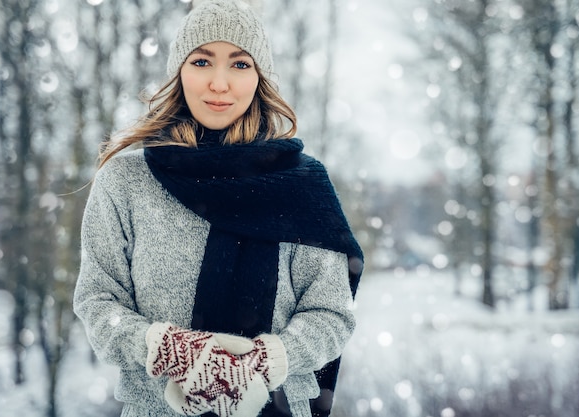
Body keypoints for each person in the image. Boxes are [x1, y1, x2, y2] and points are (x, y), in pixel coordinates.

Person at [73, 1, 363, 416]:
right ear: (179, 72)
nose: (219, 83)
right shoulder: (127, 181)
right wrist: (169, 349)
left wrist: (263, 363)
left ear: (260, 77)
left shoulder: (303, 186)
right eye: (202, 61)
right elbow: (99, 301)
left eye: (240, 64)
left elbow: (331, 315)